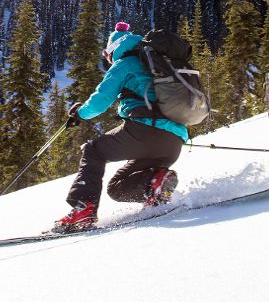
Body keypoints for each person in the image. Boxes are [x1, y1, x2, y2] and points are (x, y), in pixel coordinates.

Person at [54, 22, 189, 232]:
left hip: (145, 131)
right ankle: (155, 184)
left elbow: (101, 100)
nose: (108, 60)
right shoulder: (161, 62)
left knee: (93, 150)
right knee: (116, 188)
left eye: (107, 56)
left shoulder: (125, 63)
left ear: (113, 49)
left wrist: (79, 113)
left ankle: (83, 210)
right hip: (175, 142)